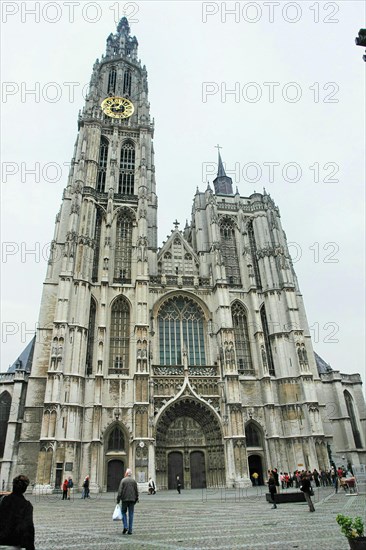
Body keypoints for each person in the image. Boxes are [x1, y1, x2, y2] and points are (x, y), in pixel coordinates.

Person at [0, 474, 35, 550]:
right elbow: (28, 528)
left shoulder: (2, 500)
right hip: (13, 544)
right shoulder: (26, 505)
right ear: (25, 489)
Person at [117, 468, 139, 535]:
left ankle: (125, 526)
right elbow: (136, 491)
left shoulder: (123, 480)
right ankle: (130, 530)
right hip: (132, 499)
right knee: (131, 514)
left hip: (124, 499)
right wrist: (137, 498)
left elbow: (120, 491)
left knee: (123, 512)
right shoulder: (134, 481)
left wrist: (118, 499)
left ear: (126, 473)